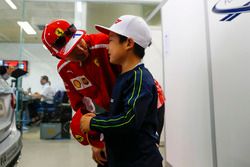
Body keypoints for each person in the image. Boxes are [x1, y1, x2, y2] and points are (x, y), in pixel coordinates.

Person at [80, 15, 163, 167]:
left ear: (129, 43)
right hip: (124, 158)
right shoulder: (124, 77)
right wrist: (100, 117)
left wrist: (94, 122)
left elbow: (129, 120)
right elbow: (119, 113)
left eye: (111, 40)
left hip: (140, 161)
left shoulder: (139, 78)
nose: (107, 45)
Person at [41, 19, 120, 167]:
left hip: (140, 106)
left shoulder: (104, 43)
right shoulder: (64, 69)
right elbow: (81, 106)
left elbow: (136, 79)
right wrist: (96, 141)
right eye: (73, 51)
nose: (82, 50)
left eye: (80, 42)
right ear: (59, 56)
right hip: (110, 114)